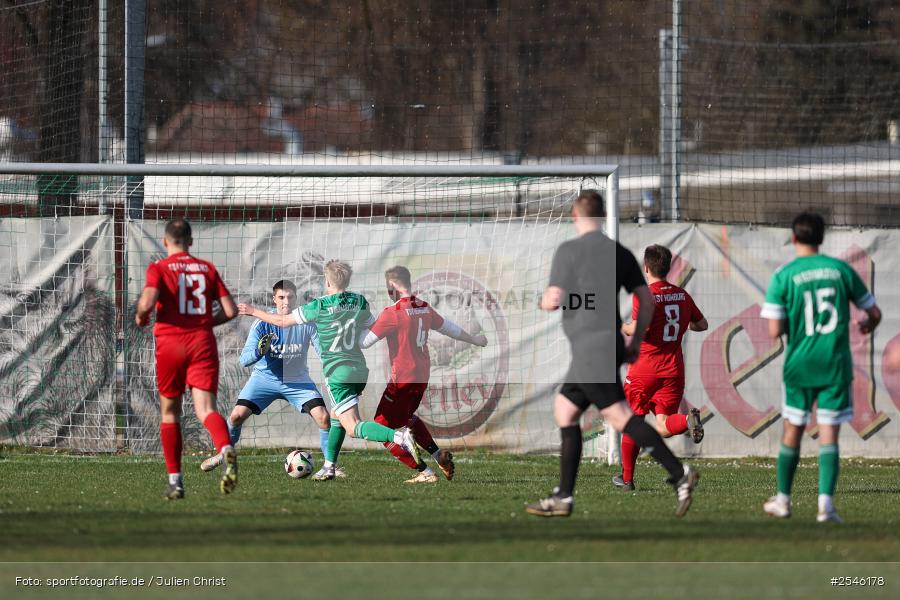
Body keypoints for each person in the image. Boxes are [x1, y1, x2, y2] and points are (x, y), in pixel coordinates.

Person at [525, 190, 699, 518]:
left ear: (576, 216)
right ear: (603, 216)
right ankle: (564, 496)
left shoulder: (569, 250)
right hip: (605, 345)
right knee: (565, 410)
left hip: (593, 347)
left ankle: (680, 474)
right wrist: (632, 346)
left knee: (621, 417)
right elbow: (645, 301)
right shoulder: (619, 253)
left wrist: (545, 300)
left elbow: (553, 299)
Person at [238, 260, 420, 481]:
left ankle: (399, 436)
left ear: (327, 282)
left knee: (352, 427)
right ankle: (329, 467)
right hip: (359, 370)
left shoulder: (320, 305)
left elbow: (283, 322)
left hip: (338, 372)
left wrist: (253, 311)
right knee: (335, 417)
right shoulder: (359, 301)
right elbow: (369, 336)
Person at [760, 212, 881, 523]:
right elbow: (874, 313)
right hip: (834, 364)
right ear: (822, 238)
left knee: (793, 430)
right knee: (830, 435)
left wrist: (795, 322)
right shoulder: (841, 270)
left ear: (795, 238)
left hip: (799, 365)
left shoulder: (784, 275)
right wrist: (867, 324)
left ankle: (784, 500)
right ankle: (825, 506)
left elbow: (774, 331)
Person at [135, 218, 239, 500]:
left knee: (170, 413)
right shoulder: (206, 268)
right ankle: (226, 448)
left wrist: (142, 316)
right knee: (206, 410)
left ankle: (176, 481)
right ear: (191, 241)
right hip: (202, 342)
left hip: (171, 343)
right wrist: (205, 321)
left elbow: (146, 302)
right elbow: (231, 310)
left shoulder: (159, 268)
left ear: (166, 241)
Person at [200, 280, 343, 476]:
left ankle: (330, 467)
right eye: (281, 297)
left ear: (296, 298)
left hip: (297, 381)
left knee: (324, 418)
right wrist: (260, 351)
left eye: (290, 297)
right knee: (235, 416)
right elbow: (244, 360)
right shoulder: (262, 323)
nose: (286, 302)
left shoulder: (306, 322)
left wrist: (335, 365)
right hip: (264, 379)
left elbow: (322, 352)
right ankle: (223, 454)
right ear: (274, 299)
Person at [359, 266, 488, 483]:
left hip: (402, 380)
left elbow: (364, 342)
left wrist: (346, 329)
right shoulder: (424, 308)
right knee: (407, 418)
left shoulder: (393, 314)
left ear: (391, 287)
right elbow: (450, 329)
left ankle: (424, 472)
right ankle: (439, 455)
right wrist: (474, 340)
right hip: (421, 378)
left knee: (381, 427)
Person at [615, 244, 708, 491]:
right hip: (673, 371)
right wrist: (681, 327)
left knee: (631, 422)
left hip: (644, 370)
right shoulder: (682, 295)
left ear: (646, 267)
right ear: (668, 268)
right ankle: (688, 420)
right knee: (663, 425)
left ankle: (627, 479)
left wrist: (623, 327)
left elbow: (640, 329)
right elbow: (702, 324)